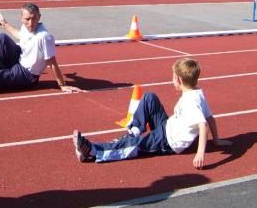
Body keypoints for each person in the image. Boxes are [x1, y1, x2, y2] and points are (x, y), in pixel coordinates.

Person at [73, 58, 232, 167]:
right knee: (150, 97)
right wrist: (217, 141)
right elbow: (211, 118)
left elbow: (204, 124)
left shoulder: (192, 102)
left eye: (172, 77)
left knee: (135, 146)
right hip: (167, 126)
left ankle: (93, 151)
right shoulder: (197, 92)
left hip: (168, 141)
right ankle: (134, 131)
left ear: (179, 80)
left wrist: (200, 154)